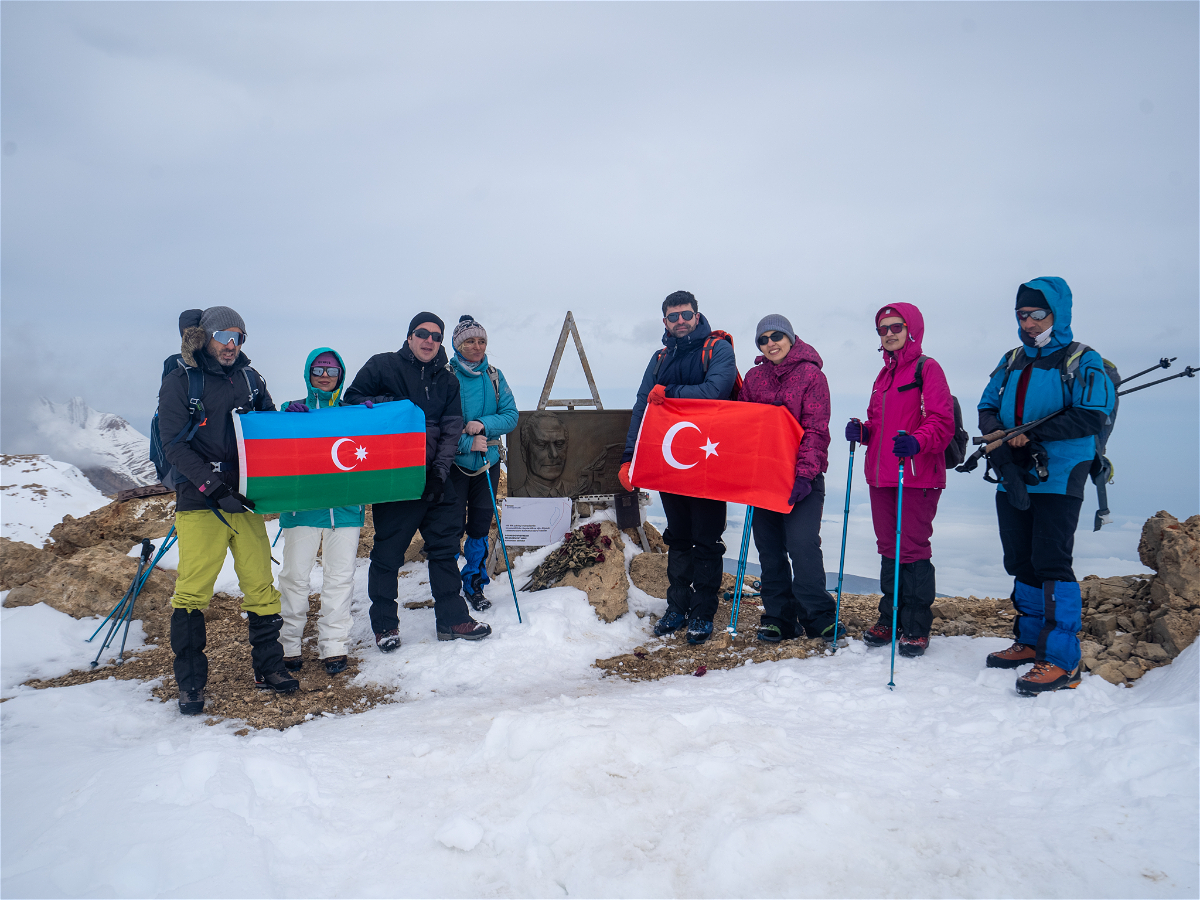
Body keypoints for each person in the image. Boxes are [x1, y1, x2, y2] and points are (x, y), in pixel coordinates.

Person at [976, 277, 1114, 694]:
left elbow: (1092, 415)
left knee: (1051, 560)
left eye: (1038, 314)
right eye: (1023, 314)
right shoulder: (1012, 359)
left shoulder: (1083, 360)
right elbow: (986, 406)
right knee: (1020, 559)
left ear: (1058, 314)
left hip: (1060, 473)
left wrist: (1031, 435)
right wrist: (999, 433)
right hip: (1014, 473)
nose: (1030, 322)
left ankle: (1062, 660)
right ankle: (1031, 641)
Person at [158, 305, 298, 715]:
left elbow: (267, 428)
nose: (232, 345)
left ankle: (269, 669)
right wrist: (214, 488)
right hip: (200, 502)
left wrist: (291, 419)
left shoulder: (250, 379)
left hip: (245, 499)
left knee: (260, 583)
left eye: (239, 337)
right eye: (224, 336)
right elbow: (174, 445)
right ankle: (191, 684)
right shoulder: (181, 380)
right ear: (206, 338)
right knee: (192, 592)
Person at [343, 312, 491, 648]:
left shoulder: (447, 380)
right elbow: (351, 401)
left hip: (436, 478)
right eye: (422, 333)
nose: (429, 341)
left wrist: (439, 475)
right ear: (410, 336)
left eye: (436, 336)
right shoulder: (383, 366)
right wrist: (393, 405)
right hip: (395, 479)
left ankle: (453, 620)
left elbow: (452, 430)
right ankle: (385, 626)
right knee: (388, 555)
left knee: (445, 550)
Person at [618, 290, 737, 645]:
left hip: (708, 460)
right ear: (665, 321)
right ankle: (677, 606)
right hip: (670, 462)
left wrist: (669, 392)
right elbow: (642, 406)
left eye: (686, 314)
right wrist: (629, 457)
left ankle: (702, 613)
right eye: (673, 316)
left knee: (707, 538)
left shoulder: (718, 349)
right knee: (679, 536)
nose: (681, 321)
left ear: (697, 316)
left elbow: (716, 390)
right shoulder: (659, 357)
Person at [845, 304, 954, 657]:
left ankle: (916, 626)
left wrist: (917, 442)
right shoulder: (883, 376)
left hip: (917, 474)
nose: (889, 333)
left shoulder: (927, 369)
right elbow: (879, 424)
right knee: (889, 548)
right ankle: (890, 619)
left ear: (912, 329)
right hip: (882, 478)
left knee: (912, 548)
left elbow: (941, 421)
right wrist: (863, 432)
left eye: (896, 327)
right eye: (882, 329)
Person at [739, 315, 837, 644]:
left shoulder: (811, 374)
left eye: (776, 335)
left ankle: (819, 617)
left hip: (801, 478)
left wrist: (806, 473)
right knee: (769, 549)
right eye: (762, 340)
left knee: (802, 545)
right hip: (764, 478)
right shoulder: (754, 378)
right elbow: (743, 422)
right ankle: (779, 617)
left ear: (791, 336)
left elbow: (816, 428)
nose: (770, 343)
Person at [276, 348, 365, 676]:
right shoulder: (291, 411)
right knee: (295, 577)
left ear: (340, 375)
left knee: (339, 578)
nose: (325, 375)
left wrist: (371, 422)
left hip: (345, 510)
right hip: (302, 511)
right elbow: (277, 450)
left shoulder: (353, 414)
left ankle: (334, 645)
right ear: (308, 373)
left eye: (331, 370)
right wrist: (286, 419)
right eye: (318, 369)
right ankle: (288, 645)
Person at [447, 315, 518, 610]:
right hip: (450, 464)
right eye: (470, 341)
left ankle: (474, 584)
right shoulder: (445, 375)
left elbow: (511, 416)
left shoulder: (495, 376)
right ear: (457, 344)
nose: (477, 346)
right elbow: (434, 422)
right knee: (449, 527)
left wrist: (483, 424)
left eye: (481, 340)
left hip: (486, 463)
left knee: (478, 525)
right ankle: (448, 587)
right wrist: (466, 442)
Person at [513, 411, 571, 497]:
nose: (554, 454)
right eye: (542, 445)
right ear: (524, 452)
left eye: (559, 444)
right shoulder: (517, 495)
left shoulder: (577, 490)